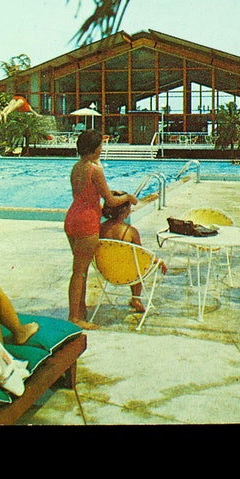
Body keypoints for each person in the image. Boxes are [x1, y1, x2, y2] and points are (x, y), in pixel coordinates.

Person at [64, 130, 138, 330]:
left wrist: (107, 192)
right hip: (86, 222)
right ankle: (74, 317)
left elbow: (88, 192)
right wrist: (129, 198)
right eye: (100, 146)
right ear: (95, 148)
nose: (102, 149)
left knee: (81, 270)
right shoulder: (94, 170)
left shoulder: (77, 167)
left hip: (72, 218)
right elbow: (112, 201)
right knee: (79, 272)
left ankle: (80, 311)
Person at [100, 191, 167, 313]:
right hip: (128, 274)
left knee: (129, 261)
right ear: (125, 213)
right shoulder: (131, 232)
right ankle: (136, 298)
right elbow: (142, 254)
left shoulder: (99, 229)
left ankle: (135, 299)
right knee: (137, 264)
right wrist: (158, 260)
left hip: (106, 271)